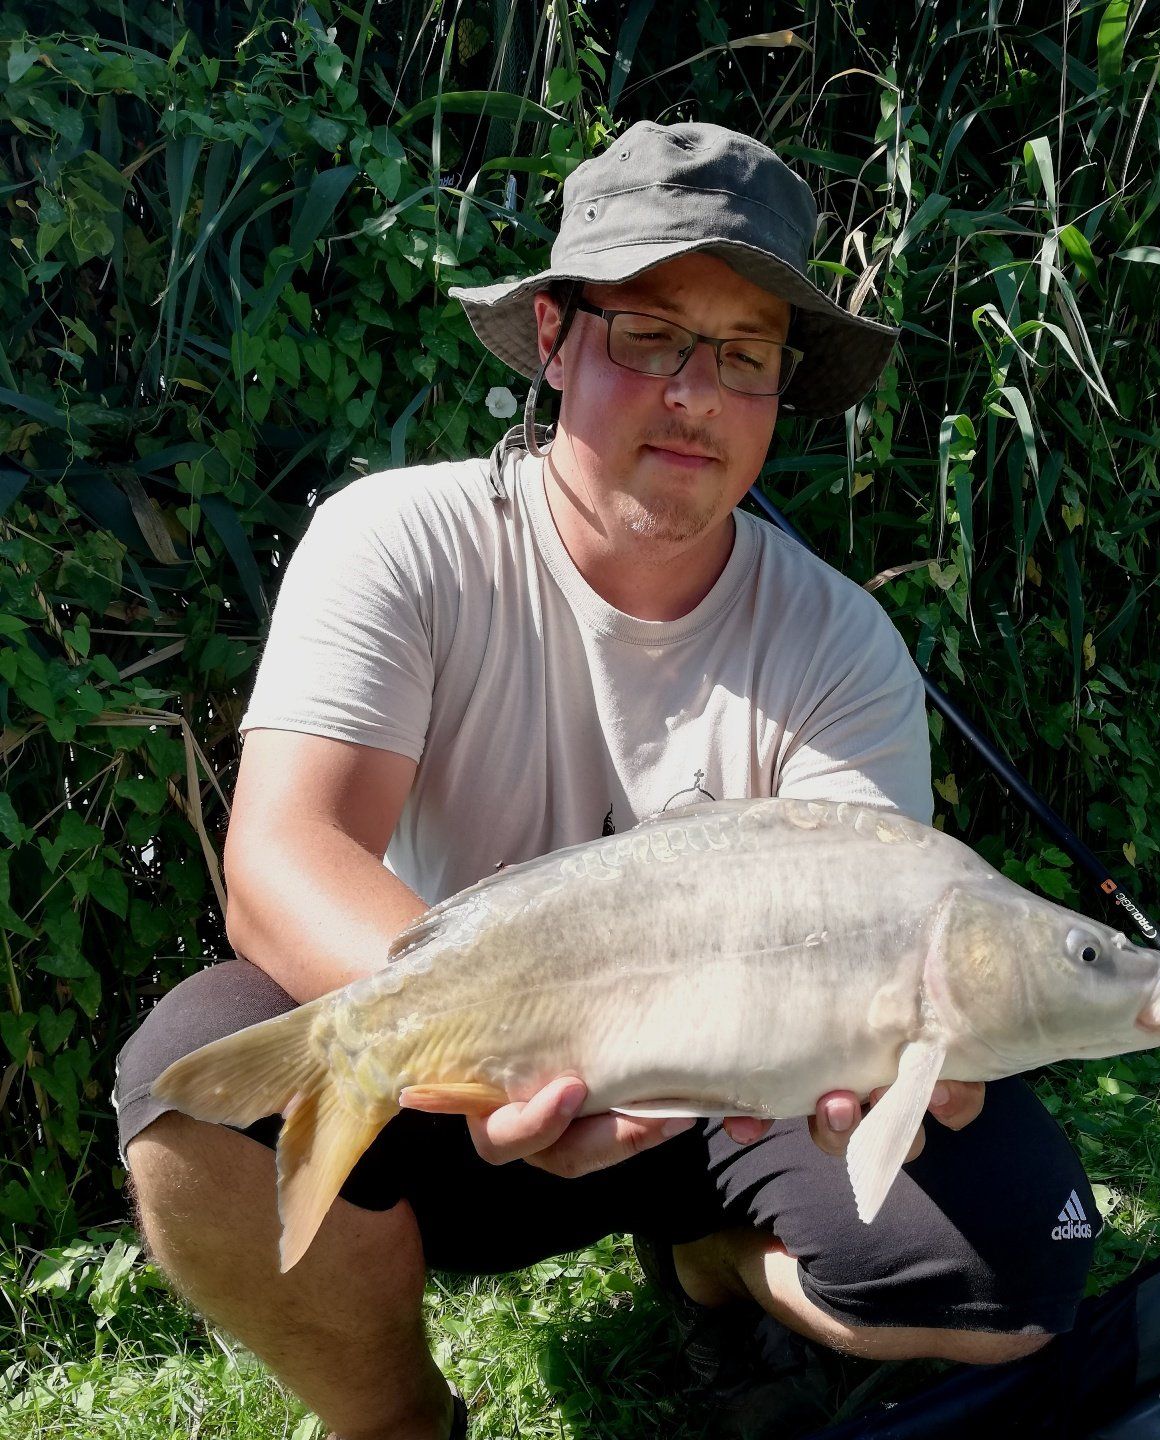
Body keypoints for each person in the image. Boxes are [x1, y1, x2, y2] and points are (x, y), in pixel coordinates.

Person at [114, 121, 1101, 1440]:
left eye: (742, 356)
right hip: (459, 1084)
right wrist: (491, 1050)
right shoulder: (402, 542)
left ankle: (706, 1264)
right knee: (192, 1079)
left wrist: (911, 1059)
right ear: (555, 341)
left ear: (778, 392)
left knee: (1008, 1277)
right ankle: (402, 1422)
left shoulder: (838, 640)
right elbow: (278, 860)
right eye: (647, 336)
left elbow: (875, 922)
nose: (692, 391)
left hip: (745, 1109)